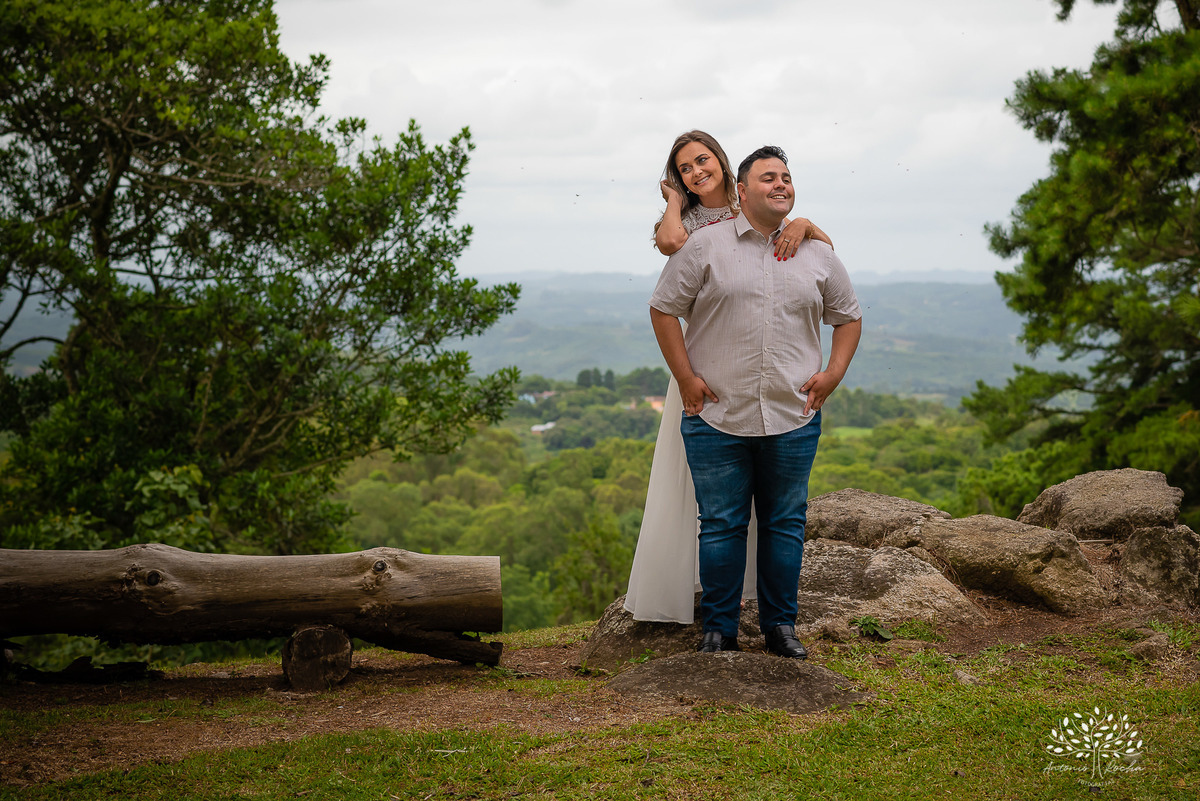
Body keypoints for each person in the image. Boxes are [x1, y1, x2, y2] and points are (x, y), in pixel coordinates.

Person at [646, 145, 862, 658]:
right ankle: (718, 630)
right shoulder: (704, 246)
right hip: (717, 413)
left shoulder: (817, 252)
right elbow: (662, 310)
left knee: (785, 524)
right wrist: (686, 379)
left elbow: (848, 316)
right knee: (720, 525)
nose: (780, 184)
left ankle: (780, 628)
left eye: (786, 176)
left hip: (792, 415)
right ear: (742, 192)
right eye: (768, 177)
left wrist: (833, 374)